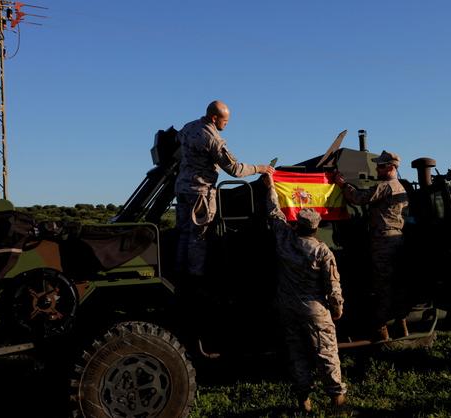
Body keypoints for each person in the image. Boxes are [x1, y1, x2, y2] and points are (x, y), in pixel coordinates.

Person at [262, 173, 347, 413]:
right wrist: (337, 307)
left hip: (287, 306)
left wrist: (270, 186)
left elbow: (273, 212)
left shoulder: (284, 238)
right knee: (327, 353)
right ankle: (337, 400)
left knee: (296, 354)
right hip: (314, 309)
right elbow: (332, 285)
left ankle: (304, 401)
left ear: (297, 223)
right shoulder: (322, 251)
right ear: (316, 227)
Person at [174, 100, 274, 278]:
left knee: (184, 234)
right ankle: (195, 280)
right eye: (225, 121)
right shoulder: (213, 139)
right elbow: (234, 169)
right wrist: (260, 168)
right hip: (200, 194)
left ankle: (179, 275)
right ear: (214, 118)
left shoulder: (188, 127)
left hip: (182, 190)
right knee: (199, 238)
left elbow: (177, 139)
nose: (226, 124)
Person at [333, 150, 409, 341]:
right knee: (396, 284)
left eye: (381, 165)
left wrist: (343, 185)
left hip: (383, 241)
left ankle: (381, 331)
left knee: (381, 286)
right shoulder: (401, 187)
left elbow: (358, 198)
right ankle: (402, 325)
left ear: (391, 167)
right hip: (396, 239)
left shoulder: (385, 186)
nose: (377, 168)